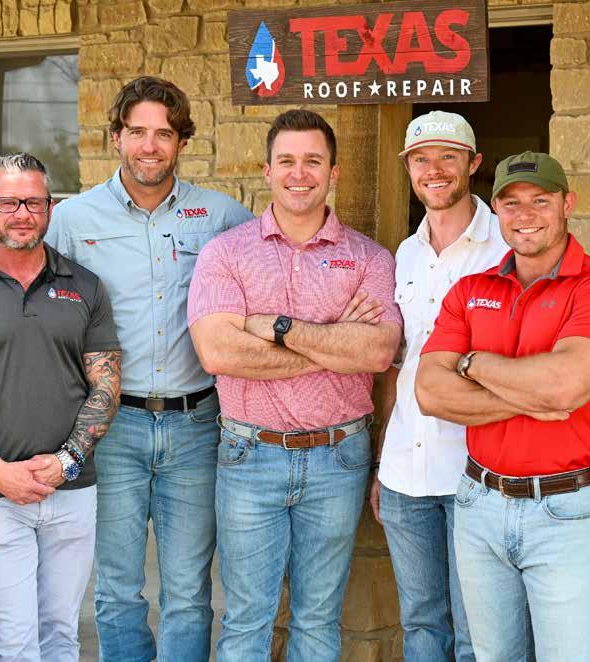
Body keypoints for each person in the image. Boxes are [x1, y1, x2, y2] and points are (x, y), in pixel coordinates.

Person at [45, 76, 252, 662]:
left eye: (164, 133)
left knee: (188, 591)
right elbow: (43, 319)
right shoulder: (73, 219)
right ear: (116, 137)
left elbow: (267, 280)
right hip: (111, 428)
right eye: (137, 131)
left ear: (182, 142)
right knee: (116, 587)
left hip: (196, 426)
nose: (150, 145)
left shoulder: (221, 215)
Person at [187, 109, 402, 662]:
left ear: (334, 172)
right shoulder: (226, 253)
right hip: (249, 454)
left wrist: (278, 330)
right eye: (286, 161)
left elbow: (377, 352)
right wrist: (334, 341)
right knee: (246, 621)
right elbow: (218, 353)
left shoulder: (369, 258)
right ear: (267, 170)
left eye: (313, 161)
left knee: (318, 620)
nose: (299, 173)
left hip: (339, 457)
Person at [415, 151, 590, 662]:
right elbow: (430, 392)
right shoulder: (471, 290)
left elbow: (563, 386)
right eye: (511, 202)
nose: (525, 215)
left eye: (540, 200)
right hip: (478, 502)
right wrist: (528, 394)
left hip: (563, 509)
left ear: (567, 204)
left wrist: (470, 363)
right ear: (495, 208)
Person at [0, 152, 121, 661]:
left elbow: (105, 385)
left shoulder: (84, 286)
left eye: (34, 202)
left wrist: (67, 461)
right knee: (15, 645)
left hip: (71, 491)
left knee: (61, 637)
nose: (22, 213)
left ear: (50, 208)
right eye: (9, 202)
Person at [370, 111, 506, 662]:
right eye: (421, 159)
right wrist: (382, 460)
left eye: (449, 156)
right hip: (406, 470)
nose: (435, 169)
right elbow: (396, 367)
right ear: (408, 169)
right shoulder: (406, 253)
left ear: (473, 164)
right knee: (422, 623)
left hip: (478, 471)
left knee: (478, 631)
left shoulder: (506, 247)